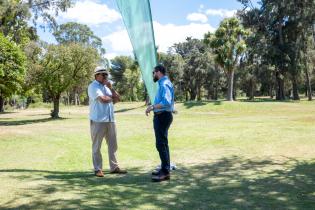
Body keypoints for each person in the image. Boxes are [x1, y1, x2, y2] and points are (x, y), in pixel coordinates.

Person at [88, 66, 127, 177]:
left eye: (106, 74)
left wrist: (112, 89)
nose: (105, 76)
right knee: (97, 146)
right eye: (103, 74)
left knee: (113, 145)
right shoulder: (93, 86)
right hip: (98, 120)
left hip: (110, 120)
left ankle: (114, 167)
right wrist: (112, 98)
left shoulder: (107, 87)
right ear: (96, 75)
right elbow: (103, 100)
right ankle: (98, 169)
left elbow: (118, 99)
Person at [145, 64, 174, 182]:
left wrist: (152, 107)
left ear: (158, 72)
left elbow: (166, 101)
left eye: (153, 73)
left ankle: (165, 172)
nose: (153, 75)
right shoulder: (164, 83)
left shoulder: (164, 83)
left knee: (160, 144)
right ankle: (164, 168)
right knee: (163, 144)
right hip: (162, 116)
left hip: (162, 116)